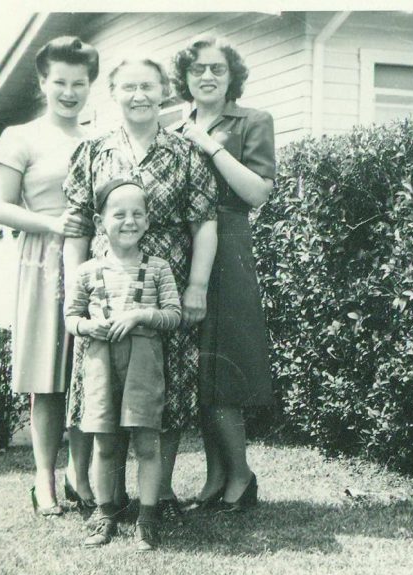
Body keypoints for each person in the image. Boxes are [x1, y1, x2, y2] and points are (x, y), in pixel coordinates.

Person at [63, 56, 218, 525]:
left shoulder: (186, 152)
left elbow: (205, 222)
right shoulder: (92, 152)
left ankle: (160, 492)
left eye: (148, 86)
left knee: (164, 387)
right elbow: (74, 225)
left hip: (163, 288)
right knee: (102, 389)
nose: (139, 95)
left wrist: (196, 286)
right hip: (104, 290)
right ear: (113, 93)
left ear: (164, 91)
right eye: (128, 86)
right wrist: (79, 285)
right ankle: (108, 499)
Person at [0, 36, 99, 516]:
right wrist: (53, 223)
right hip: (42, 262)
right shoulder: (20, 136)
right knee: (47, 378)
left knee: (87, 374)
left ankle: (81, 476)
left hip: (94, 264)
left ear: (90, 85)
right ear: (42, 82)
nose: (69, 92)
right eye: (60, 82)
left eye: (79, 82)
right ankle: (44, 481)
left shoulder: (97, 140)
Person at [171, 36, 276, 512]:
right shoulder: (174, 128)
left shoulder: (252, 121)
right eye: (197, 70)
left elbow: (256, 192)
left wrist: (207, 146)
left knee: (225, 363)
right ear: (185, 78)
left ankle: (241, 477)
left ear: (232, 75)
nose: (207, 77)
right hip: (182, 247)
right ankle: (216, 479)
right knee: (197, 369)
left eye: (217, 69)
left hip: (229, 243)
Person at [65, 177, 182, 551]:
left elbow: (174, 315)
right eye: (119, 214)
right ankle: (105, 514)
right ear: (101, 222)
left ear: (148, 222)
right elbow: (70, 318)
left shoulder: (159, 268)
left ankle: (147, 519)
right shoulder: (87, 271)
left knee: (147, 443)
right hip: (100, 361)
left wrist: (139, 316)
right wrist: (89, 325)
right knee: (104, 444)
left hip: (144, 362)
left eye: (137, 214)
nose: (129, 221)